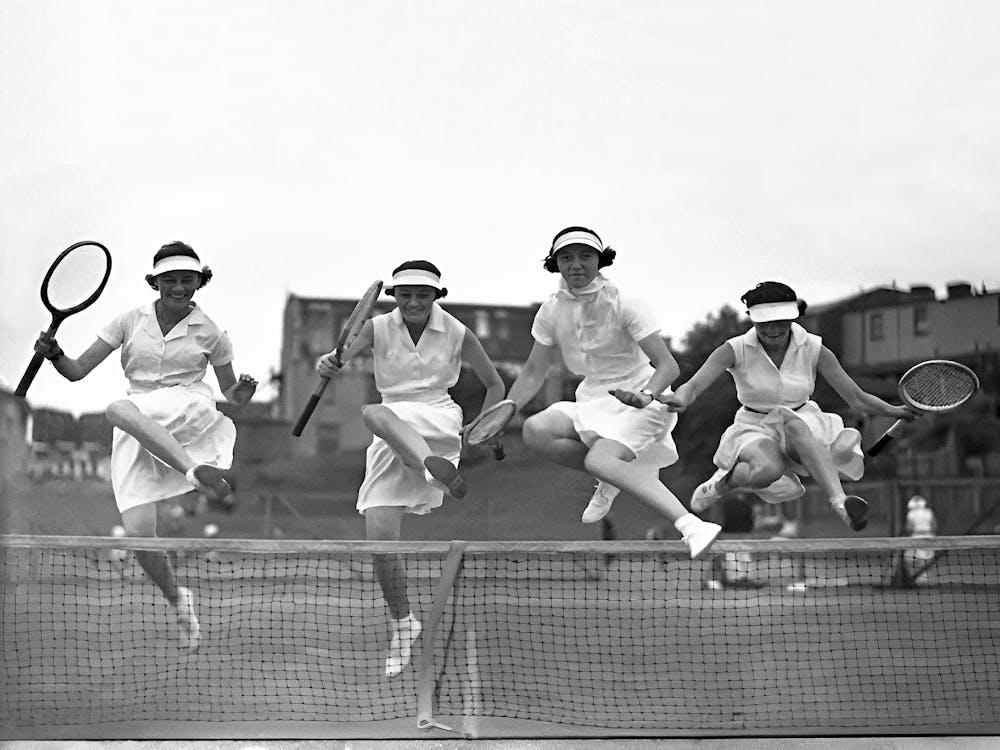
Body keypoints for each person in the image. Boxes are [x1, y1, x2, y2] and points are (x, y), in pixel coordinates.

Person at [33, 241, 257, 650]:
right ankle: (180, 602)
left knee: (117, 408)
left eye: (186, 280)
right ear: (155, 282)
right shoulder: (128, 321)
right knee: (139, 537)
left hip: (187, 408)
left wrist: (241, 390)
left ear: (199, 282)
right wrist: (55, 355)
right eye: (169, 280)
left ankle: (193, 471)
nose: (178, 287)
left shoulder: (212, 333)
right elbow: (76, 372)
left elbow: (232, 395)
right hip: (139, 422)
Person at [316, 260, 504, 677]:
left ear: (437, 295)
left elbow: (495, 384)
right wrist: (325, 363)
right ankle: (403, 624)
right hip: (393, 429)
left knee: (371, 412)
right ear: (395, 296)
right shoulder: (378, 327)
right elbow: (337, 359)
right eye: (405, 294)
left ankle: (428, 465)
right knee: (380, 545)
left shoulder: (457, 331)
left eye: (423, 294)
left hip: (437, 418)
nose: (414, 301)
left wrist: (485, 424)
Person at [504, 226, 721, 559]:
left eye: (585, 256)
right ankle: (613, 476)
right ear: (556, 263)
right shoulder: (550, 310)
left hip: (644, 400)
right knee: (536, 430)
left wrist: (646, 395)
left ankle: (692, 526)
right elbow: (534, 371)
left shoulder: (626, 304)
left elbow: (668, 366)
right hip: (592, 397)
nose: (576, 264)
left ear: (600, 261)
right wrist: (507, 409)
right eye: (566, 257)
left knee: (599, 459)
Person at [659, 281, 919, 532]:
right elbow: (691, 387)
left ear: (792, 318)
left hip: (803, 423)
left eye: (779, 321)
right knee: (766, 471)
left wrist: (896, 411)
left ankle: (840, 503)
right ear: (752, 318)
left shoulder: (815, 348)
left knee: (794, 423)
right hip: (754, 427)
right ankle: (722, 483)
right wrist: (680, 399)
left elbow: (856, 398)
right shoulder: (734, 349)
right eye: (765, 322)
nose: (772, 329)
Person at [902, 494, 936, 584]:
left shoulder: (911, 514)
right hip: (929, 537)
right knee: (920, 557)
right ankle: (921, 576)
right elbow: (934, 526)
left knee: (909, 557)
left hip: (916, 537)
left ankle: (921, 576)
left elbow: (909, 528)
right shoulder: (929, 512)